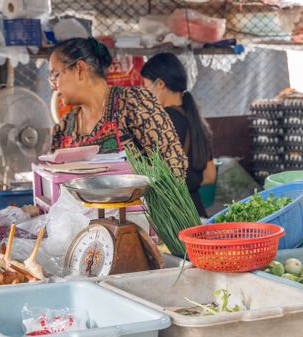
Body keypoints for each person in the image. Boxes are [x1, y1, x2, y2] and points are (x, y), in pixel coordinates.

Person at [49, 38, 187, 178]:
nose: (53, 86)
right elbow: (54, 176)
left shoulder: (132, 103)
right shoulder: (65, 127)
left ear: (80, 69)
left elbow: (174, 167)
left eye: (55, 75)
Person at [140, 53, 215, 217]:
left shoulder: (160, 123)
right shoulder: (196, 121)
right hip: (196, 212)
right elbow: (210, 176)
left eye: (146, 88)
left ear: (160, 84)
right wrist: (190, 182)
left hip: (172, 215)